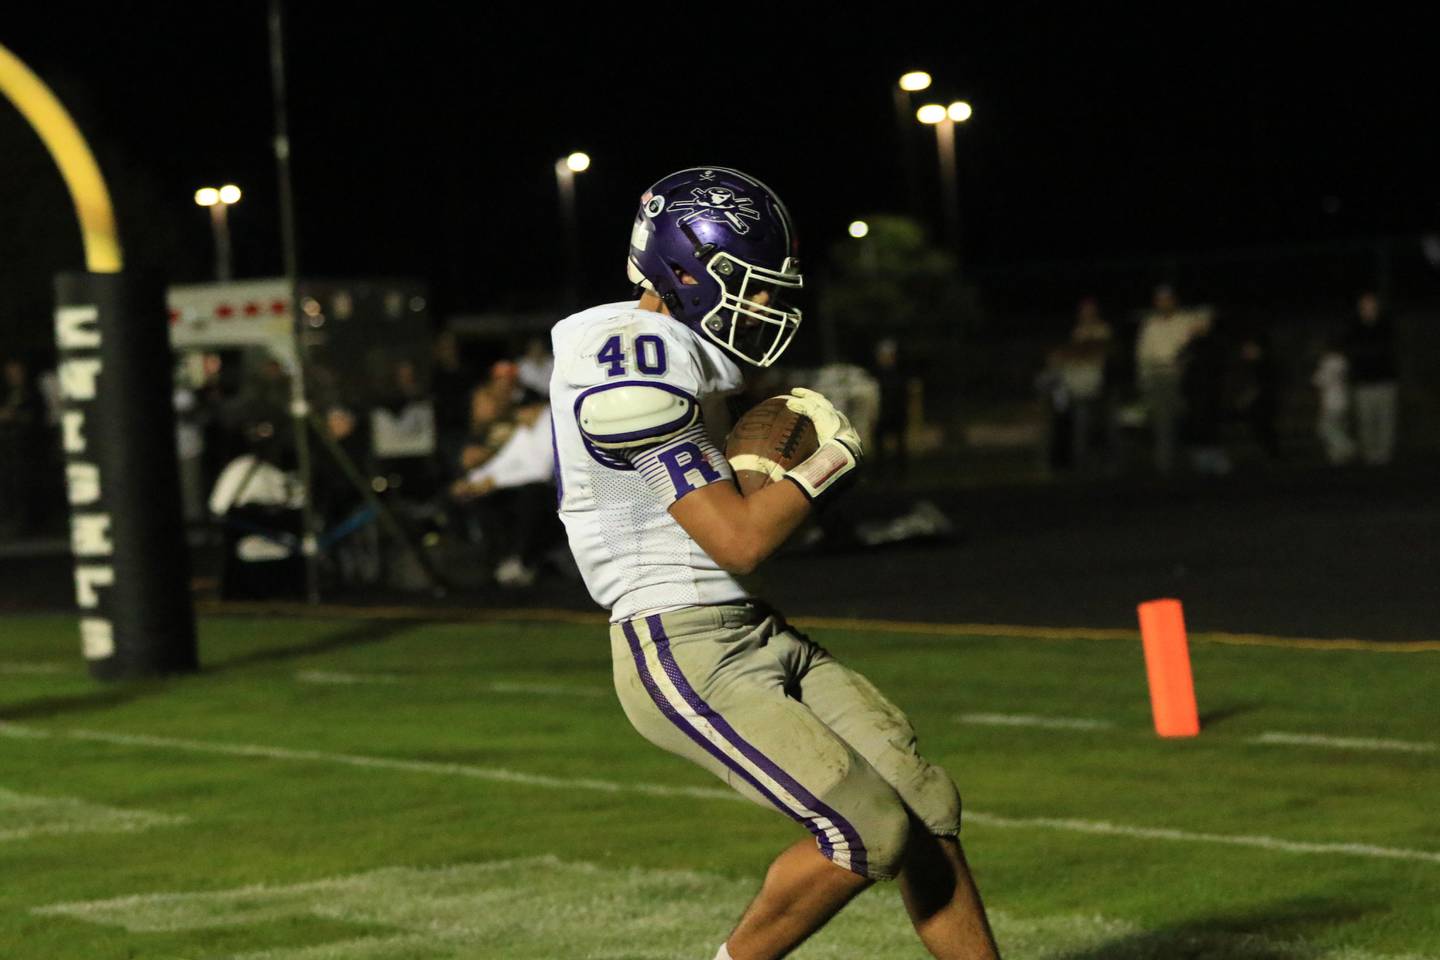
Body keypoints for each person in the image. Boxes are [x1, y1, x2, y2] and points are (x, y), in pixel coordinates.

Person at [549, 167, 1000, 960]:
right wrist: (831, 460)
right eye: (746, 286)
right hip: (680, 643)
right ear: (683, 271)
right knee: (867, 830)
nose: (762, 306)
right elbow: (742, 539)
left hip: (751, 626)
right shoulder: (629, 360)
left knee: (924, 802)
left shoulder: (682, 350)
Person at [1134, 285, 1205, 474]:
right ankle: (1164, 464)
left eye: (1168, 299)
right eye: (1160, 300)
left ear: (1174, 301)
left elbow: (1204, 323)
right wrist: (1144, 381)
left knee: (1181, 419)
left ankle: (1182, 461)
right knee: (1162, 421)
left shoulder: (1185, 320)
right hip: (1158, 376)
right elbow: (1143, 356)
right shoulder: (1150, 325)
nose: (1164, 303)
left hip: (1182, 377)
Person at [1344, 292, 1399, 465]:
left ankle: (1384, 455)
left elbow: (1389, 350)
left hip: (1385, 381)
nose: (1368, 309)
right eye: (1364, 306)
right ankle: (1369, 455)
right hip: (1363, 383)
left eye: (1371, 305)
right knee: (1365, 420)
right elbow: (1353, 352)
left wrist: (1371, 352)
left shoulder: (1386, 326)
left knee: (1386, 419)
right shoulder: (1353, 328)